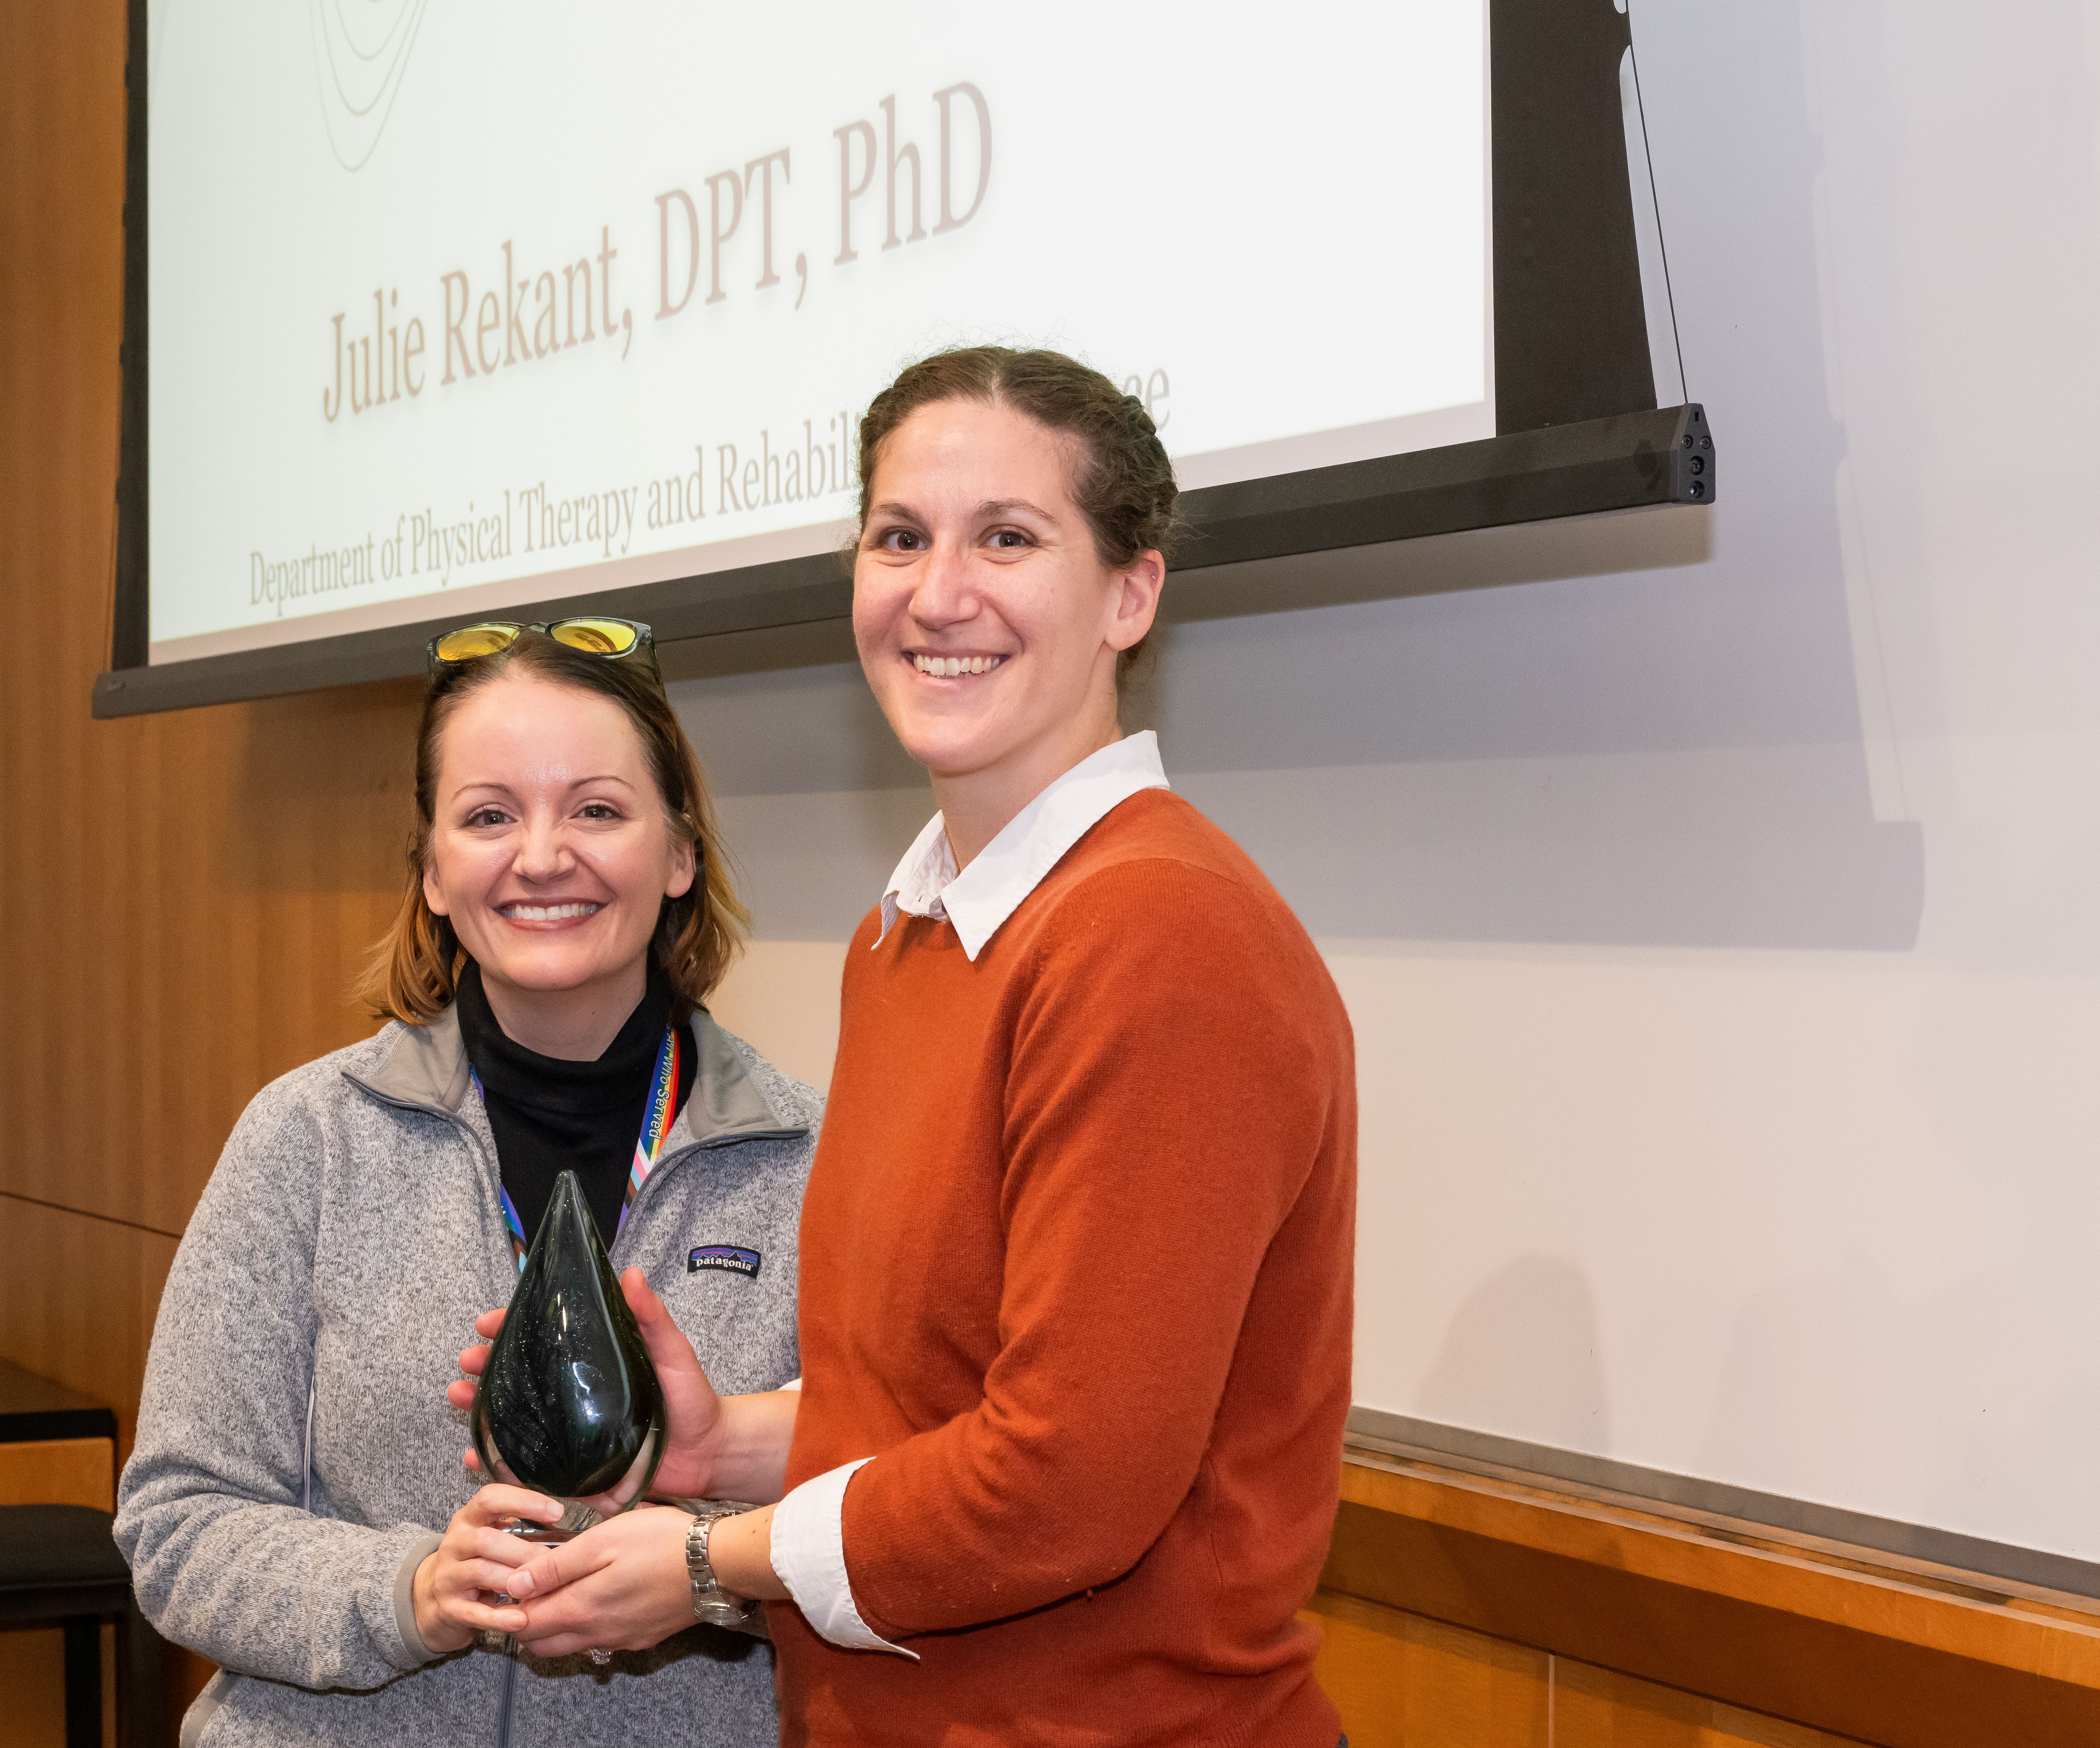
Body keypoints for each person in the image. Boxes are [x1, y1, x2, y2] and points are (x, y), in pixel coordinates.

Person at [460, 349, 1359, 1746]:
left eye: (1009, 536)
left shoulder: (1159, 934)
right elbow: (951, 1393)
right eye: (900, 538)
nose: (941, 595)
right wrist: (731, 1445)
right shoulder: (912, 931)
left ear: (1133, 591)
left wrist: (709, 1562)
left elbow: (1067, 1479)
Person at [115, 622, 823, 1746]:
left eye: (597, 808)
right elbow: (176, 1524)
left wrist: (703, 1576)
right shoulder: (307, 1139)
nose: (543, 856)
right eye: (490, 815)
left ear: (680, 853)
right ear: (434, 870)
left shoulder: (812, 1161)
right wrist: (412, 1593)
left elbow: (896, 1526)